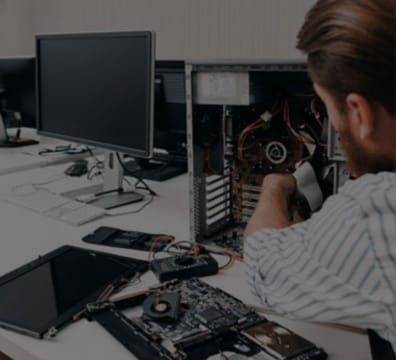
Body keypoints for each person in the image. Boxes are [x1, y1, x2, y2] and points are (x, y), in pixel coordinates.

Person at [244, 0, 396, 357]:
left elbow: (263, 264)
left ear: (359, 112)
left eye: (326, 107)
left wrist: (273, 188)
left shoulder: (379, 210)